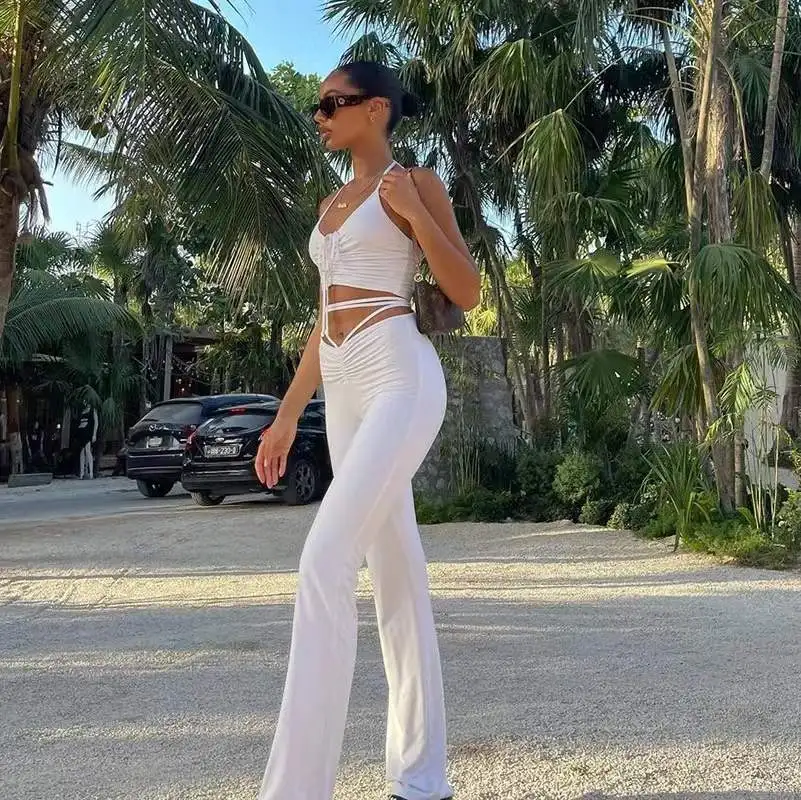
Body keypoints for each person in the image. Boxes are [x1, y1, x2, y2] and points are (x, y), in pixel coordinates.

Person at [255, 61, 480, 800]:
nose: (319, 116)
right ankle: (422, 778)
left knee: (323, 560)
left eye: (332, 104)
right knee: (395, 575)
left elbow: (467, 289)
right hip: (344, 383)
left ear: (376, 108)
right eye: (318, 106)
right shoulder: (330, 204)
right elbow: (322, 323)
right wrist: (288, 414)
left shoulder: (415, 183)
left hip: (398, 374)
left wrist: (414, 215)